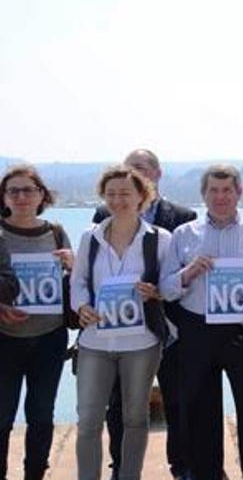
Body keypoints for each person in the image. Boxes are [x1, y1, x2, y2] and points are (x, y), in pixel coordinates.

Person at [162, 164, 243, 480]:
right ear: (203, 194)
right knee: (202, 413)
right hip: (197, 329)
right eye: (213, 191)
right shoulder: (183, 235)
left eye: (227, 190)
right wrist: (187, 274)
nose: (220, 197)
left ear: (239, 192)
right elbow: (165, 289)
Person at [91, 149, 198, 480]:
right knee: (119, 403)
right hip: (120, 326)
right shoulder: (100, 216)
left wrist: (160, 290)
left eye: (140, 168)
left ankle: (183, 466)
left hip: (169, 325)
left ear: (157, 174)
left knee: (179, 400)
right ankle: (121, 466)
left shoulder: (183, 216)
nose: (134, 173)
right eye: (128, 168)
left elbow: (184, 271)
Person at [71, 165, 179, 480]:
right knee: (88, 419)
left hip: (141, 342)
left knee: (135, 417)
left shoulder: (160, 239)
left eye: (125, 194)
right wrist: (82, 306)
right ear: (104, 197)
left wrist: (156, 291)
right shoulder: (89, 238)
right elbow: (78, 282)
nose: (118, 200)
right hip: (94, 341)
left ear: (142, 197)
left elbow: (172, 284)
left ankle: (129, 476)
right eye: (111, 194)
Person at [0, 165, 73, 480]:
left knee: (42, 415)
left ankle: (35, 474)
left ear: (42, 195)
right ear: (4, 196)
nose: (21, 197)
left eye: (28, 190)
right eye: (13, 190)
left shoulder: (55, 232)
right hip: (4, 338)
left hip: (49, 338)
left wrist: (73, 264)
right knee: (1, 417)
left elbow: (75, 280)